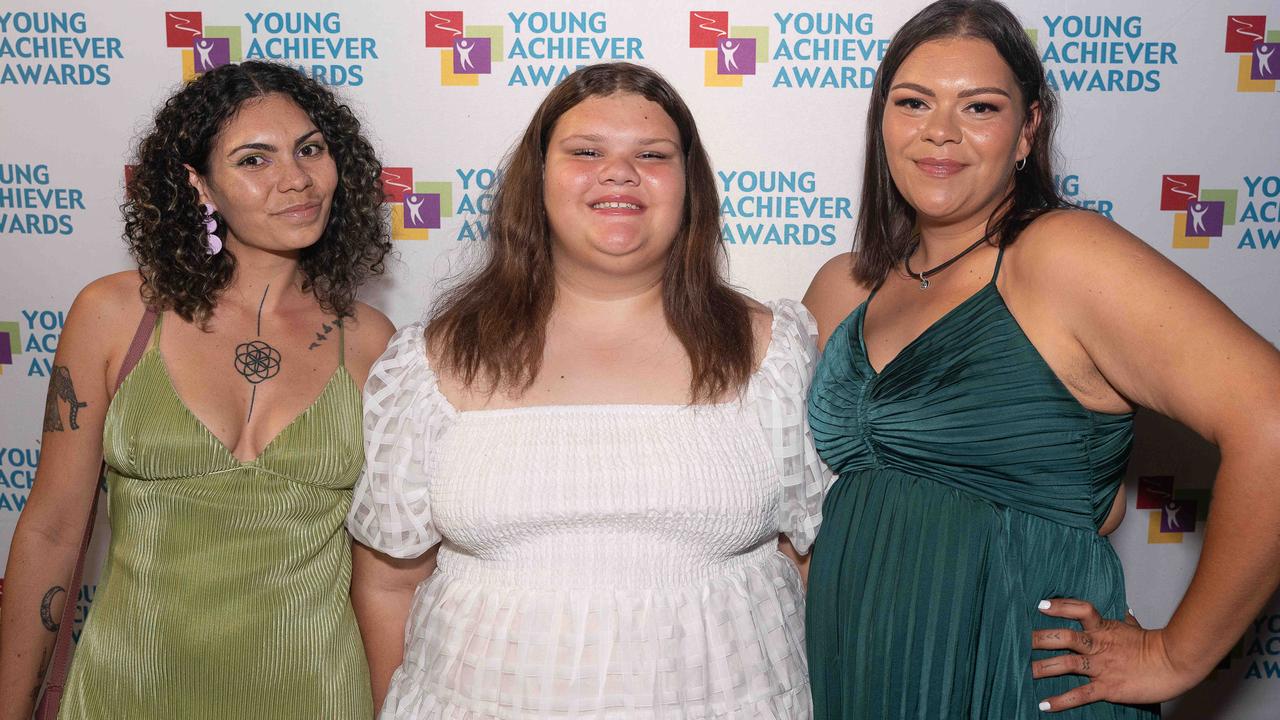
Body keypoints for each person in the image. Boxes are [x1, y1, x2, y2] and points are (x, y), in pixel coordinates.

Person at [802, 1, 1280, 718]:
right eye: (913, 102)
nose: (940, 130)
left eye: (980, 107)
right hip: (858, 676)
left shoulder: (1059, 257)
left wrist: (1175, 656)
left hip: (1019, 682)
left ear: (1028, 130)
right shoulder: (842, 288)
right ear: (882, 122)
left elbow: (1269, 419)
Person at [347, 62, 829, 719]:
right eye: (587, 152)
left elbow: (808, 563)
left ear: (690, 185)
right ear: (537, 178)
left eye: (652, 155)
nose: (619, 173)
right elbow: (387, 582)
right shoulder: (433, 360)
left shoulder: (773, 353)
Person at [0, 61, 395, 719]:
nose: (295, 179)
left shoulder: (374, 342)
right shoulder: (114, 313)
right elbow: (52, 531)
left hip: (315, 693)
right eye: (253, 160)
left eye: (310, 149)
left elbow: (383, 577)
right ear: (198, 184)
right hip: (127, 690)